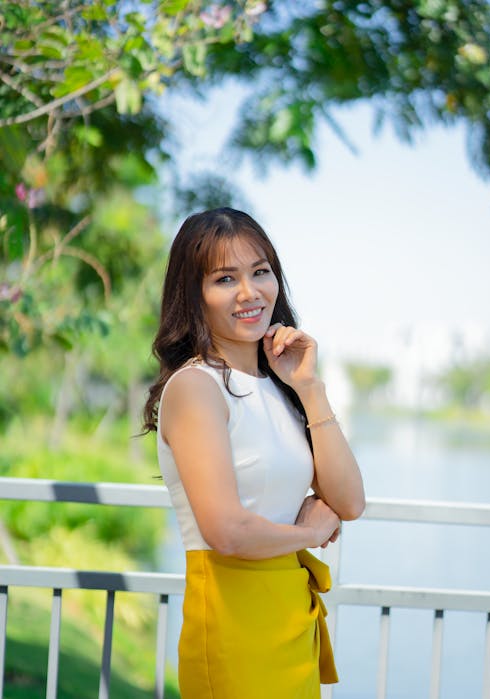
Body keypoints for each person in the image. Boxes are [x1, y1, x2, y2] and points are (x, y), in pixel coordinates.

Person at [143, 207, 365, 699]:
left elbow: (349, 502)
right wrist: (308, 531)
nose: (250, 293)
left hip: (289, 616)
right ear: (194, 294)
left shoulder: (280, 388)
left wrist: (309, 387)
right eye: (225, 278)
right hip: (231, 622)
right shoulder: (196, 388)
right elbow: (226, 530)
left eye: (260, 272)